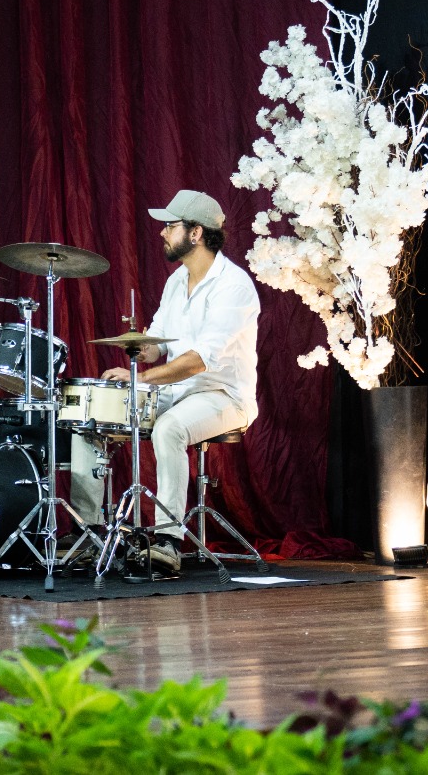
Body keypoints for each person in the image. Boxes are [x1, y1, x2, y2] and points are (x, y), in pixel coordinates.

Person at [101, 189, 259, 578]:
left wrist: (141, 378)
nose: (162, 232)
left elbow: (199, 359)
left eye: (170, 226)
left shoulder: (233, 286)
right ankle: (90, 534)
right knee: (99, 416)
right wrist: (138, 346)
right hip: (177, 392)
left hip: (224, 396)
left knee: (169, 428)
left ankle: (168, 542)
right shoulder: (177, 281)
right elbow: (159, 344)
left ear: (196, 233)